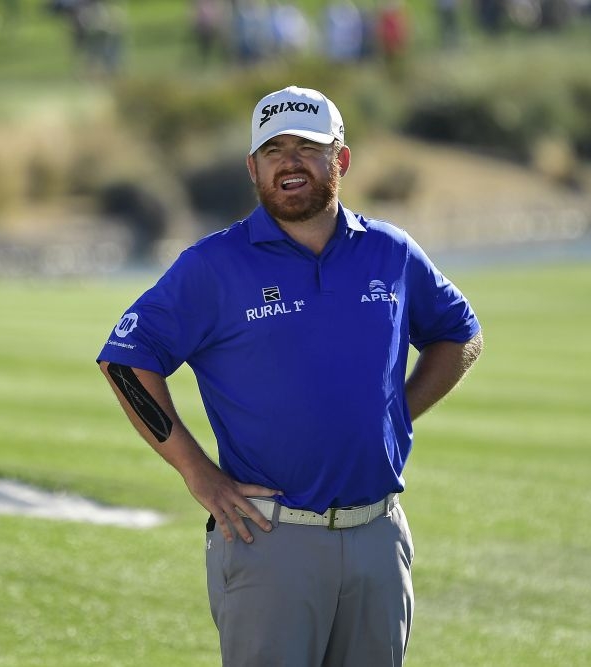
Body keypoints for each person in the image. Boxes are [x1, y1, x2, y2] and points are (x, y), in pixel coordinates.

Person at [97, 86, 482, 666]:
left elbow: (461, 334)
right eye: (273, 149)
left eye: (308, 146)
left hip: (378, 537)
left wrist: (396, 410)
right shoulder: (213, 264)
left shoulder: (390, 251)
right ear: (253, 167)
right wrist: (199, 474)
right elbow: (126, 362)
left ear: (341, 160)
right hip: (270, 542)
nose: (290, 161)